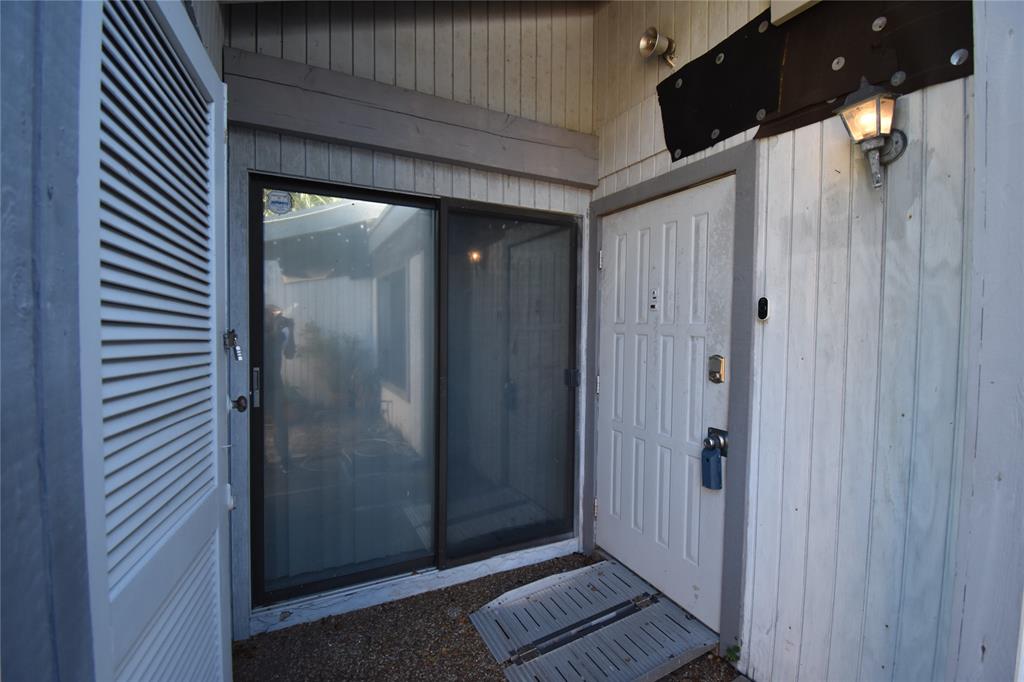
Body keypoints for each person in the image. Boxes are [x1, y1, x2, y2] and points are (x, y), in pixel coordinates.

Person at [265, 304, 296, 473]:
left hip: (275, 386)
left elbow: (290, 353)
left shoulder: (278, 336)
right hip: (257, 386)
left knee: (281, 424)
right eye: (272, 315)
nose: (275, 318)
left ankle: (285, 460)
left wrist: (292, 330)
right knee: (255, 425)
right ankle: (261, 461)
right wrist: (277, 331)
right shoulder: (259, 333)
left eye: (277, 315)